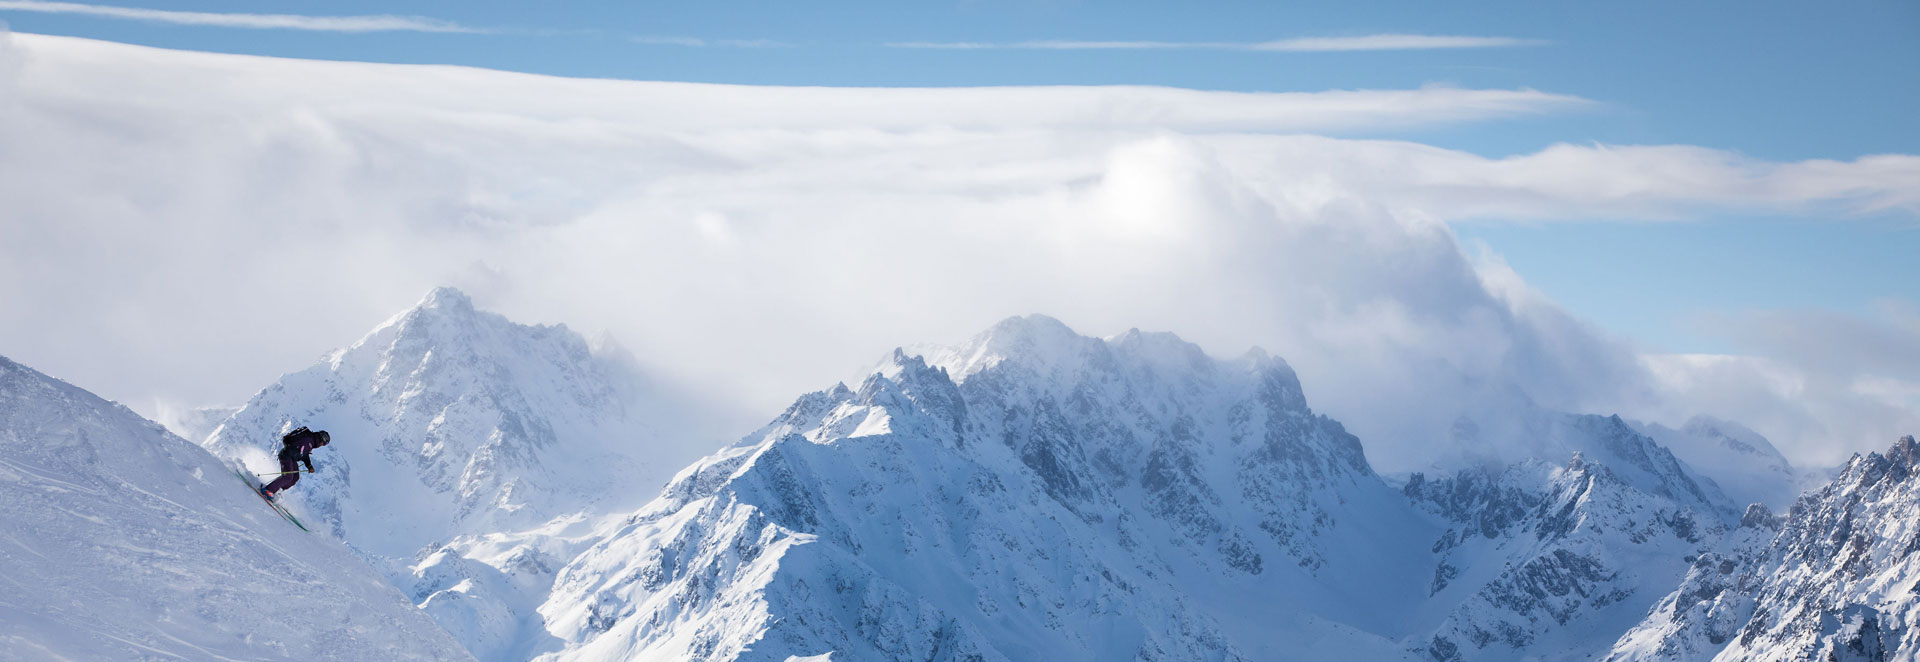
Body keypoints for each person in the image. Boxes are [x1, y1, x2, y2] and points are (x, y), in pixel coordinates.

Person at [261, 426, 330, 500]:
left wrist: (309, 466)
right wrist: (308, 464)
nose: (322, 445)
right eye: (324, 443)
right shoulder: (309, 441)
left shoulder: (311, 441)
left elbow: (304, 454)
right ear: (321, 439)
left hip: (291, 458)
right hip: (286, 456)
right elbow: (303, 454)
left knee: (295, 478)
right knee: (288, 476)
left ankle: (277, 491)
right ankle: (268, 490)